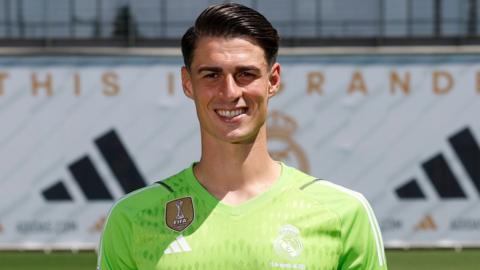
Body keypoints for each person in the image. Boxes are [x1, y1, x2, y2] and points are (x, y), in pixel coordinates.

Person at [97, 3, 387, 270]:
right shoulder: (134, 217)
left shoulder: (343, 213)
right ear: (188, 83)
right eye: (211, 75)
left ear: (273, 81)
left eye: (245, 74)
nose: (230, 92)